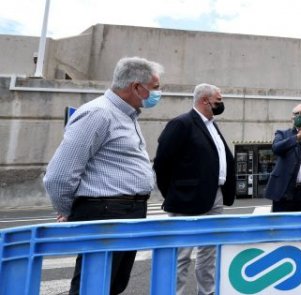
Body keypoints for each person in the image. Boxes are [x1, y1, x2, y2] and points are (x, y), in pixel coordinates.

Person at [43, 57, 164, 295]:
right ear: (137, 87)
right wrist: (70, 210)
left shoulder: (127, 115)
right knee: (94, 284)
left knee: (113, 284)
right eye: (155, 87)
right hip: (107, 211)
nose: (158, 93)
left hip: (126, 211)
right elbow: (59, 175)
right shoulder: (99, 114)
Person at [153, 83, 236, 295]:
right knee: (181, 255)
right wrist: (173, 193)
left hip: (214, 197)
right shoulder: (181, 124)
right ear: (205, 101)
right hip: (186, 199)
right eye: (218, 100)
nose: (221, 103)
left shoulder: (211, 125)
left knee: (209, 253)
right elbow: (162, 162)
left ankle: (206, 292)